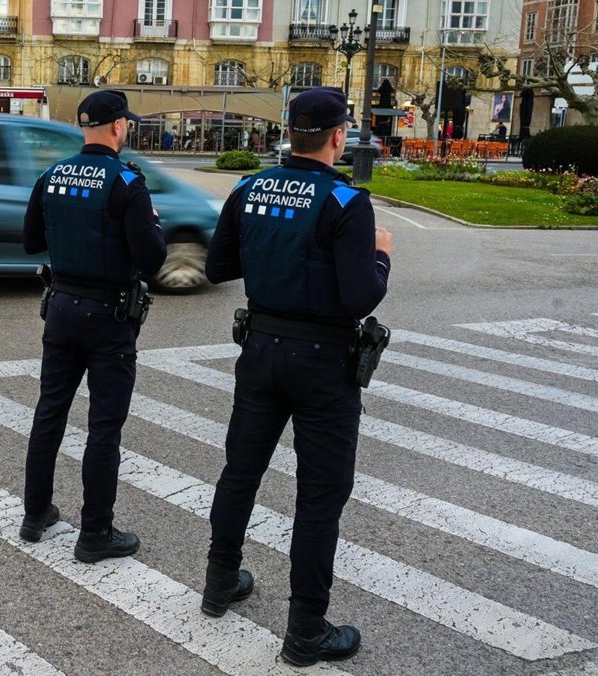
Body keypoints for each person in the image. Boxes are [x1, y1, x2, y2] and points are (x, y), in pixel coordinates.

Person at [199, 87, 393, 667]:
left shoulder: (249, 188)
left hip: (261, 348)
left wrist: (273, 256)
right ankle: (306, 629)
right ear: (338, 136)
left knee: (241, 471)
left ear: (290, 133)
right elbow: (360, 296)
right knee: (320, 494)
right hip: (323, 362)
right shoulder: (347, 201)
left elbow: (218, 266)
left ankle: (219, 582)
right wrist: (381, 255)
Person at [19, 90, 168, 563]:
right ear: (119, 126)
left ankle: (35, 514)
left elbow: (30, 241)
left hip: (61, 306)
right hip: (109, 315)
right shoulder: (127, 181)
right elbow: (152, 260)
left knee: (49, 412)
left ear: (84, 128)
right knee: (104, 427)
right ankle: (96, 533)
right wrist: (151, 225)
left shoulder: (52, 175)